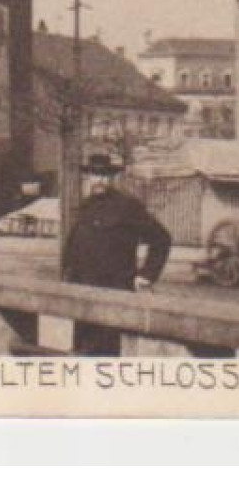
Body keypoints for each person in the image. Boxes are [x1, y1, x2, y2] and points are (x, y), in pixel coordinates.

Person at [62, 152, 172, 356]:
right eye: (95, 175)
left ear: (112, 178)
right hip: (83, 297)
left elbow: (161, 238)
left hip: (114, 295)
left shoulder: (127, 206)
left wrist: (146, 275)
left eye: (105, 176)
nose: (100, 180)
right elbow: (74, 249)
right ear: (87, 177)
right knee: (82, 354)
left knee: (107, 355)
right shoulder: (84, 208)